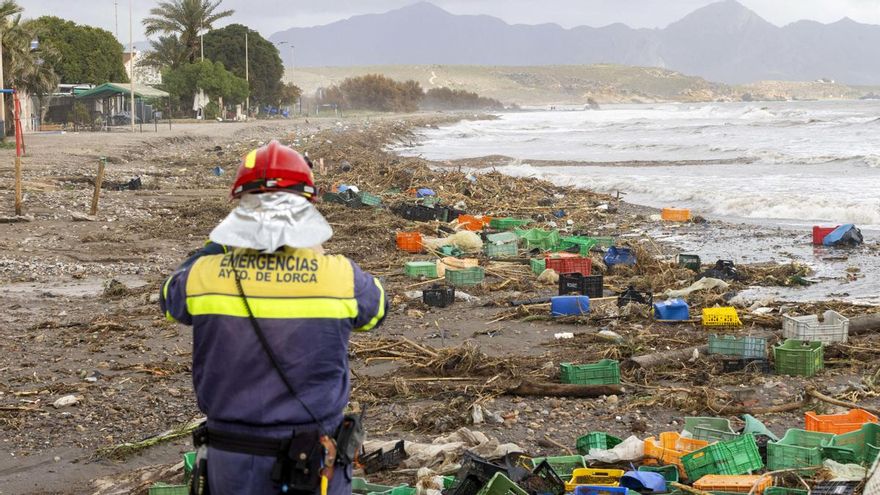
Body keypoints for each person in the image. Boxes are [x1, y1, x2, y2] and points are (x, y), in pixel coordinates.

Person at [160, 140, 387, 495]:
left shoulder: (203, 275)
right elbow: (376, 312)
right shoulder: (342, 277)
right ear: (307, 208)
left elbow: (170, 298)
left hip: (229, 458)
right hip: (313, 461)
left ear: (240, 207)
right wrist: (313, 252)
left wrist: (221, 244)